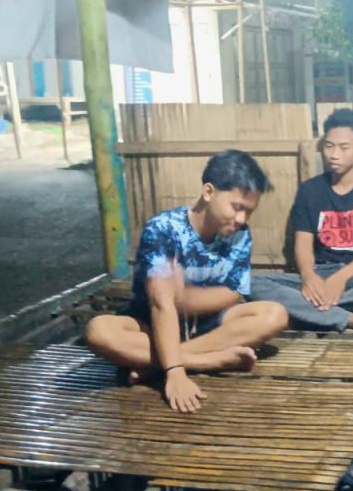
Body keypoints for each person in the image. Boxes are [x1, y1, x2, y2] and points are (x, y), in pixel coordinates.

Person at [85, 149, 288, 414]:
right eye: (237, 207)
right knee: (98, 331)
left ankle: (154, 364)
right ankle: (206, 361)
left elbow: (233, 292)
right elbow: (161, 305)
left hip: (208, 326)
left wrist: (185, 297)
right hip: (151, 328)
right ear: (208, 192)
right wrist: (175, 372)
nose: (241, 219)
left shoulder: (240, 235)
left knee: (274, 314)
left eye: (248, 212)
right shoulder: (163, 229)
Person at [248, 108, 353, 335]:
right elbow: (303, 244)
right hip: (321, 273)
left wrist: (341, 278)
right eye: (329, 146)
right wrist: (308, 276)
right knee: (250, 284)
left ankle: (308, 312)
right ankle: (347, 317)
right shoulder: (310, 190)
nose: (334, 154)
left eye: (344, 147)